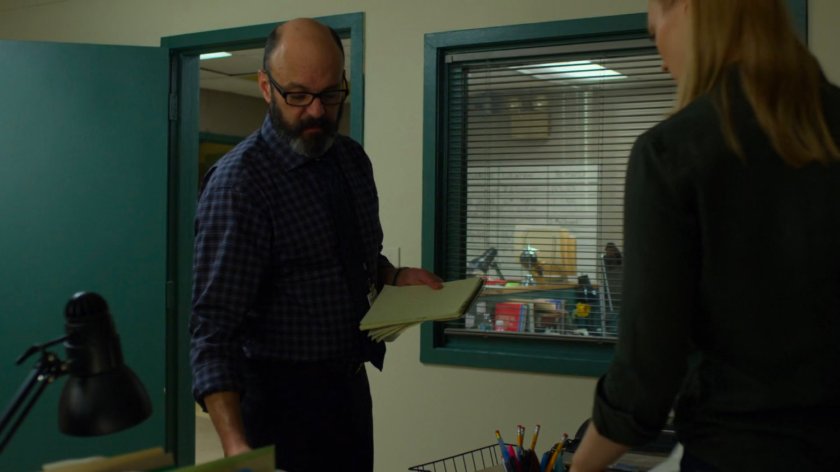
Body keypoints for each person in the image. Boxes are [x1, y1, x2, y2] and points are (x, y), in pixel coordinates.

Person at [570, 1, 840, 471]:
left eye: (655, 33)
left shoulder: (673, 153)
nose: (660, 58)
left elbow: (644, 383)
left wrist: (580, 465)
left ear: (691, 10)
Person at [189, 18, 442, 472]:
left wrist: (394, 278)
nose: (317, 112)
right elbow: (212, 331)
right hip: (276, 407)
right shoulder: (240, 185)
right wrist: (234, 448)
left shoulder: (350, 160)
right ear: (266, 87)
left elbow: (355, 261)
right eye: (299, 96)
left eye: (329, 95)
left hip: (348, 393)